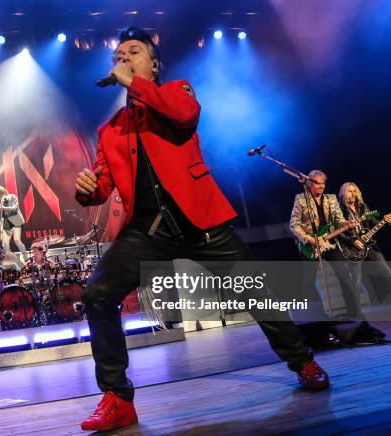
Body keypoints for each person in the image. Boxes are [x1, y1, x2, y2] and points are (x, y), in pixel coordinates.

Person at [74, 27, 329, 433]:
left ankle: (302, 361)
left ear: (153, 66)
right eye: (118, 54)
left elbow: (185, 117)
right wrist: (87, 190)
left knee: (256, 293)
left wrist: (136, 85)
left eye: (133, 52)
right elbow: (103, 185)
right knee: (97, 294)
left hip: (201, 219)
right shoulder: (111, 129)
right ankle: (118, 399)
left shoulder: (177, 92)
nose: (122, 58)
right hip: (147, 229)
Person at [289, 170, 365, 320]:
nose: (322, 186)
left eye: (324, 183)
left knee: (345, 277)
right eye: (318, 183)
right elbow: (294, 225)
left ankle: (355, 314)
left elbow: (339, 220)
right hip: (310, 245)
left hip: (330, 242)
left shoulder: (331, 199)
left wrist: (348, 224)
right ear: (310, 183)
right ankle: (313, 317)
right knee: (308, 283)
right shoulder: (301, 199)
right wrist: (308, 239)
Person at [338, 181, 391, 304]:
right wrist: (352, 241)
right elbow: (339, 231)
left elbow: (372, 222)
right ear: (344, 193)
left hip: (369, 244)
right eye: (349, 191)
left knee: (386, 271)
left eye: (354, 191)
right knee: (356, 280)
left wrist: (386, 221)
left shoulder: (363, 207)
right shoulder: (340, 210)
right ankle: (357, 309)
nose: (353, 194)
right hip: (352, 249)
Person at [0, 186, 27, 263]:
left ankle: (27, 259)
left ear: (3, 192)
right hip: (7, 222)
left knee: (17, 240)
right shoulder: (0, 202)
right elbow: (3, 216)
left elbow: (15, 208)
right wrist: (0, 224)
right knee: (5, 244)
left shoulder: (12, 196)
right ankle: (12, 261)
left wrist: (4, 208)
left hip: (15, 220)